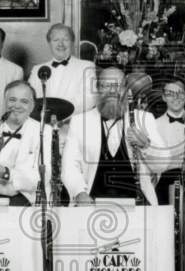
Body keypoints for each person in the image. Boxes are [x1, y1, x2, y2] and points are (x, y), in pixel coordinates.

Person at [61, 67, 168, 205]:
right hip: (91, 205)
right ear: (97, 90)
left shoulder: (145, 119)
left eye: (117, 85)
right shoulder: (79, 122)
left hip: (138, 207)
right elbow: (69, 165)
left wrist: (146, 145)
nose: (112, 91)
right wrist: (79, 193)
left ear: (126, 90)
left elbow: (162, 165)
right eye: (106, 85)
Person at [0, 81, 49, 204]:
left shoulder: (44, 131)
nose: (17, 106)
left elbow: (41, 178)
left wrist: (5, 173)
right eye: (12, 100)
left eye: (24, 101)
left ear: (32, 106)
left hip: (20, 198)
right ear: (4, 102)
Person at [153, 75, 185, 205]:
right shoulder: (154, 125)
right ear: (163, 97)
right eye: (170, 94)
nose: (176, 98)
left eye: (180, 93)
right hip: (165, 180)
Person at [28, 23, 97, 115]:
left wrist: (60, 115)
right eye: (55, 40)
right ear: (49, 43)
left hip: (74, 124)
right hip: (45, 123)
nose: (60, 44)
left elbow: (89, 99)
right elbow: (31, 98)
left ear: (72, 42)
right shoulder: (37, 69)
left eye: (65, 39)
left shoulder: (86, 67)